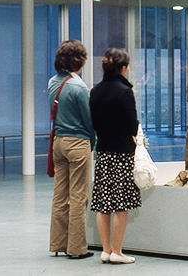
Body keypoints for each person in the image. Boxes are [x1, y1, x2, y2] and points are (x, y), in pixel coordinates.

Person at [89, 48, 141, 264]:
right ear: (122, 68)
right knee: (121, 204)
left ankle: (106, 249)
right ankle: (118, 252)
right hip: (122, 153)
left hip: (103, 152)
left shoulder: (95, 91)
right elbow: (132, 124)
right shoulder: (124, 92)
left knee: (103, 203)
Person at [48, 40, 96, 259]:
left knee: (60, 194)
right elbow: (89, 120)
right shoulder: (79, 87)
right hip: (77, 143)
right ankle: (77, 248)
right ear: (80, 60)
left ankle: (58, 243)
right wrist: (92, 142)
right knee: (79, 196)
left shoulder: (52, 83)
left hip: (58, 142)